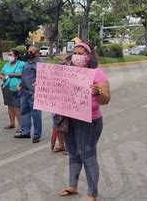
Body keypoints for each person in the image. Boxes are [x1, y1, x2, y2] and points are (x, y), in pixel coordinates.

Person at [58, 42, 110, 201]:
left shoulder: (97, 74)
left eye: (81, 53)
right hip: (69, 119)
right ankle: (72, 186)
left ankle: (92, 194)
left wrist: (98, 92)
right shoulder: (68, 72)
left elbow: (105, 100)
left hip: (89, 121)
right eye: (75, 53)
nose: (77, 56)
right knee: (73, 154)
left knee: (88, 157)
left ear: (89, 56)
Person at [14, 45, 43, 143]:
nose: (29, 53)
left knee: (36, 114)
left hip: (33, 93)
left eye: (32, 52)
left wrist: (37, 92)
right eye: (28, 51)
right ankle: (25, 132)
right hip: (24, 92)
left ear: (37, 53)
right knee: (24, 112)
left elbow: (42, 80)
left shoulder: (40, 64)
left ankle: (37, 135)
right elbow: (25, 75)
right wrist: (20, 84)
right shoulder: (27, 62)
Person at [0, 49, 24, 133]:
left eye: (11, 55)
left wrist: (13, 75)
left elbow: (25, 74)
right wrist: (2, 76)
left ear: (16, 56)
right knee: (10, 106)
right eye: (8, 55)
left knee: (17, 107)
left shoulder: (21, 64)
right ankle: (12, 123)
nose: (9, 56)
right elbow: (0, 73)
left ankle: (21, 125)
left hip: (17, 89)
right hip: (6, 88)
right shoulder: (6, 64)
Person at [51, 54, 71, 154]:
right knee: (58, 125)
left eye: (61, 60)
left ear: (68, 61)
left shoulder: (72, 72)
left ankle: (69, 147)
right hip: (57, 102)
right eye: (58, 60)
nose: (59, 62)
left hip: (67, 103)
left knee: (67, 126)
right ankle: (61, 145)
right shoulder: (56, 72)